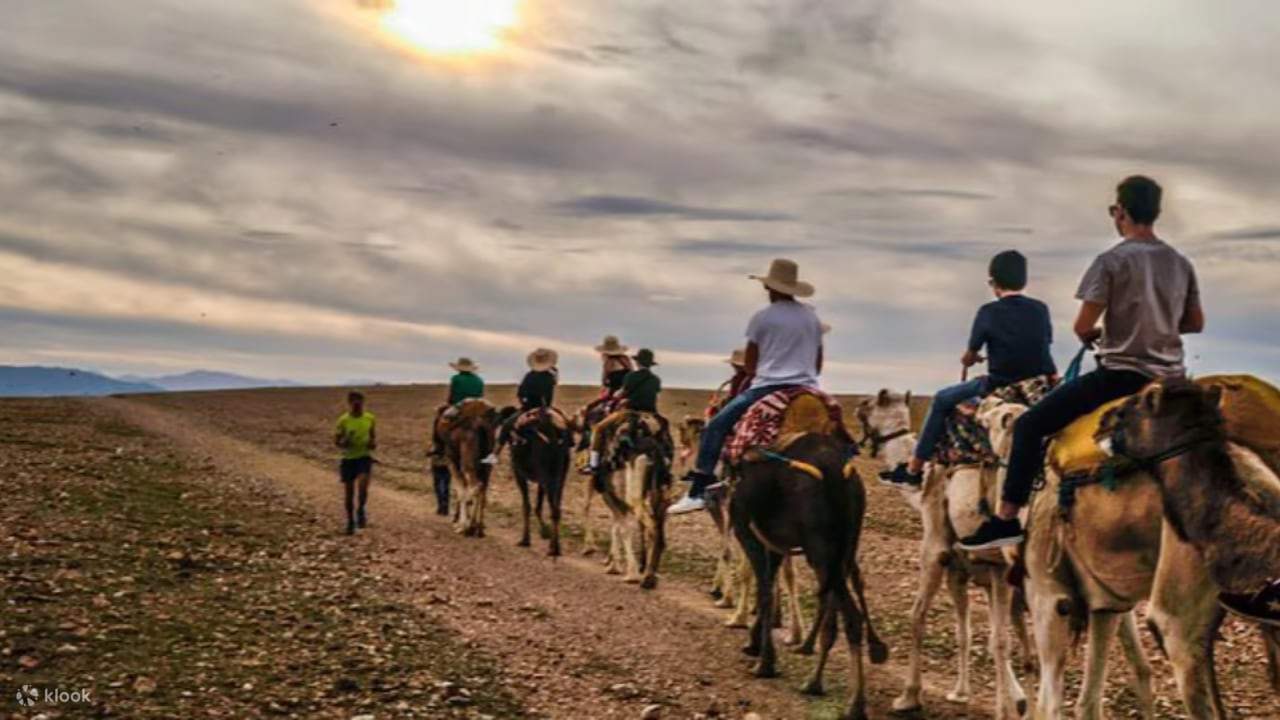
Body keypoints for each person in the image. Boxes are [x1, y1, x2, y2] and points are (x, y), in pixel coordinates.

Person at [959, 175, 1205, 550]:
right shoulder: (1180, 263)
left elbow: (1082, 326)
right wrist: (1157, 323)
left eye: (1114, 211)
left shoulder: (1111, 261)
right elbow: (1195, 323)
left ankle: (1006, 519)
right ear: (1155, 213)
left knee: (1028, 426)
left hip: (1121, 377)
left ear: (1120, 212)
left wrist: (1105, 333)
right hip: (1171, 380)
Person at [881, 250, 1056, 487]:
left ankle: (913, 470)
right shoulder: (1040, 309)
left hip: (999, 383)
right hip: (1038, 383)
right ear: (1023, 281)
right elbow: (1043, 344)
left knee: (942, 399)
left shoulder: (988, 312)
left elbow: (972, 351)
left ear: (993, 282)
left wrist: (970, 359)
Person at [669, 258, 824, 515]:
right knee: (836, 428)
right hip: (809, 388)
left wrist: (770, 369)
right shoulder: (812, 318)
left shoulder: (762, 317)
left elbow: (751, 364)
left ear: (770, 288)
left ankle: (698, 491)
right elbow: (817, 364)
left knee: (715, 427)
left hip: (768, 387)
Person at [586, 348, 663, 472]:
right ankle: (666, 459)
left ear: (638, 363)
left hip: (630, 411)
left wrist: (617, 396)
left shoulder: (631, 376)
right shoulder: (656, 379)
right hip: (650, 413)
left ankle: (593, 464)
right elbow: (655, 394)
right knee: (664, 430)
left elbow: (621, 393)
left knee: (599, 429)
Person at [489, 348, 559, 461]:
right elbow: (549, 394)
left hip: (528, 408)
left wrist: (524, 402)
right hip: (545, 409)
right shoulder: (550, 376)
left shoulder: (530, 375)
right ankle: (568, 444)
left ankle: (495, 454)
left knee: (507, 425)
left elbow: (521, 393)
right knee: (563, 424)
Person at [335, 391, 376, 535]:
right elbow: (337, 441)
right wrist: (344, 442)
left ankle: (361, 510)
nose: (357, 405)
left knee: (363, 487)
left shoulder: (370, 418)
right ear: (349, 403)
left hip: (364, 457)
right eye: (354, 403)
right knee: (349, 492)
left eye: (360, 402)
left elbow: (372, 437)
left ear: (363, 403)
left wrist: (372, 443)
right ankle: (350, 520)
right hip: (348, 459)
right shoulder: (343, 420)